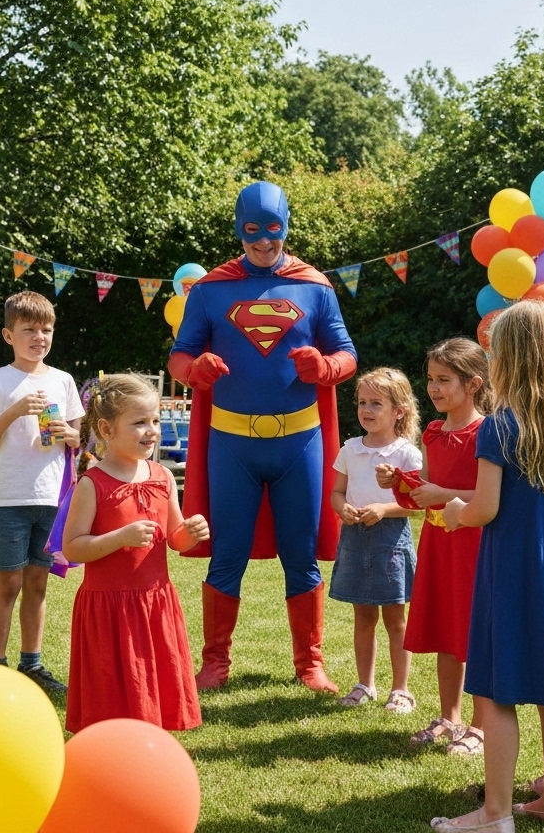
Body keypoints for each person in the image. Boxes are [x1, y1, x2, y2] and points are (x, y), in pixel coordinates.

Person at [168, 181, 357, 693]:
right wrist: (194, 370)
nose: (264, 244)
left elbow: (347, 353)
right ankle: (215, 663)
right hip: (233, 444)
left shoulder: (314, 287)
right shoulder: (210, 289)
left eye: (273, 232)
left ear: (286, 228)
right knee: (227, 551)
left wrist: (325, 367)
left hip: (300, 442)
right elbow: (179, 352)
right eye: (253, 233)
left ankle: (310, 662)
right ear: (239, 230)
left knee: (300, 552)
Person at [430, 300, 544, 832]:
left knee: (495, 693)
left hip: (511, 572)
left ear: (510, 360)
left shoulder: (499, 427)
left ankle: (495, 814)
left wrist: (454, 513)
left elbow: (485, 508)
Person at [61, 373, 208, 732]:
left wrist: (190, 533)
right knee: (111, 684)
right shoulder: (92, 484)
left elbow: (173, 540)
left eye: (155, 420)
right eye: (139, 422)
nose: (152, 430)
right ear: (106, 430)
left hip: (154, 603)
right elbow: (72, 547)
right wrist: (119, 537)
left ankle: (149, 745)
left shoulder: (162, 477)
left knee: (151, 679)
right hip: (108, 607)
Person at [0, 291, 84, 694]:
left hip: (52, 498)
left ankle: (31, 664)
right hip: (10, 498)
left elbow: (82, 438)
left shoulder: (63, 381)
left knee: (38, 583)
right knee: (9, 583)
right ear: (8, 334)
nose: (39, 337)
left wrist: (69, 434)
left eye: (46, 329)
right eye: (29, 330)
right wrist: (16, 411)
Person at [384, 338, 491, 756]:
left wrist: (441, 492)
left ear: (474, 384)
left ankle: (481, 727)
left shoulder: (487, 431)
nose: (434, 387)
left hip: (474, 543)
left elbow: (488, 494)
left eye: (444, 380)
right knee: (446, 630)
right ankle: (451, 717)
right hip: (438, 544)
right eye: (430, 378)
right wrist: (400, 482)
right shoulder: (432, 430)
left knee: (474, 633)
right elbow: (423, 488)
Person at [329, 368, 421, 713]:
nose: (366, 410)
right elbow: (337, 493)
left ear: (399, 410)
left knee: (395, 619)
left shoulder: (406, 453)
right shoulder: (351, 449)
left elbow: (414, 504)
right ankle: (364, 684)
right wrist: (343, 509)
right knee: (363, 617)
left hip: (390, 539)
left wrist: (384, 508)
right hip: (355, 537)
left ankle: (401, 690)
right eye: (362, 402)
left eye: (376, 403)